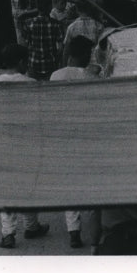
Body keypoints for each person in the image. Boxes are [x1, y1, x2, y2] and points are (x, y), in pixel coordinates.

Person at [0, 45, 50, 249]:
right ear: (22, 62)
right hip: (26, 144)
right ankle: (31, 225)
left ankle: (8, 233)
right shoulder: (31, 84)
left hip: (1, 144)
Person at [49, 35, 98, 248]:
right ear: (87, 55)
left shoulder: (56, 76)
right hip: (87, 135)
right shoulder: (93, 77)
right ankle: (96, 229)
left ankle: (73, 231)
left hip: (63, 135)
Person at [21, 0, 64, 81]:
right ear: (50, 7)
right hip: (51, 63)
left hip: (33, 63)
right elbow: (60, 48)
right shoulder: (56, 24)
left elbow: (24, 45)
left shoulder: (29, 23)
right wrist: (56, 59)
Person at [61, 0, 103, 67]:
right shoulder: (99, 26)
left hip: (76, 64)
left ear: (77, 10)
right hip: (93, 64)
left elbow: (66, 50)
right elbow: (102, 49)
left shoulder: (71, 27)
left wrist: (64, 66)